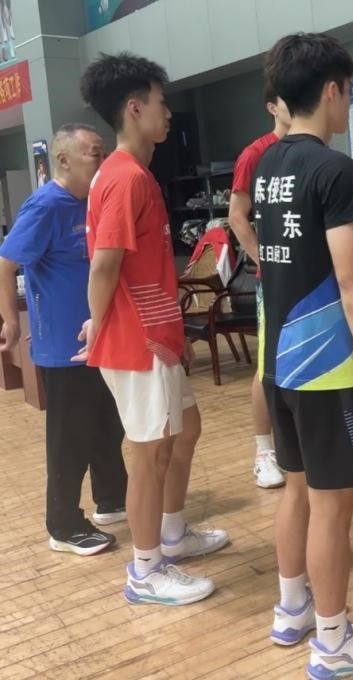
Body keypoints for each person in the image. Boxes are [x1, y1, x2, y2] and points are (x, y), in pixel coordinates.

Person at [254, 33, 353, 675]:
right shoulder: (334, 169)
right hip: (326, 367)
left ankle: (293, 611)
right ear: (333, 90)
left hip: (278, 363)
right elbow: (351, 278)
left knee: (297, 489)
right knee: (333, 504)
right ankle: (334, 642)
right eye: (350, 89)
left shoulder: (266, 163)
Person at [79, 52, 228, 605]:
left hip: (157, 335)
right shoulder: (124, 178)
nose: (169, 113)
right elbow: (104, 265)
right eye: (162, 103)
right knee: (148, 454)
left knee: (185, 430)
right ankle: (145, 572)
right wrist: (99, 325)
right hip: (136, 341)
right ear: (135, 108)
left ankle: (172, 533)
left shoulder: (133, 175)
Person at [0, 123, 127, 556]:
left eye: (104, 151)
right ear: (64, 160)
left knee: (107, 425)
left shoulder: (92, 201)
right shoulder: (45, 206)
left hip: (100, 339)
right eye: (94, 152)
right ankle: (64, 526)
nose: (102, 160)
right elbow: (5, 265)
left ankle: (112, 498)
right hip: (61, 348)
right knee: (69, 439)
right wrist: (10, 322)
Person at [229, 83, 292, 489]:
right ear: (272, 107)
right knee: (268, 366)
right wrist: (264, 259)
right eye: (288, 99)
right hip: (274, 280)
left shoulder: (312, 150)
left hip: (310, 281)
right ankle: (263, 451)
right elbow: (237, 216)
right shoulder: (256, 154)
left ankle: (296, 441)